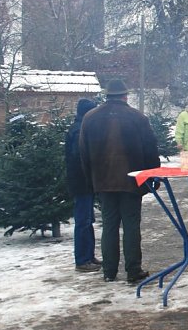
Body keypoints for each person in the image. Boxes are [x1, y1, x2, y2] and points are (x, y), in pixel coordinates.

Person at [80, 79, 160, 283]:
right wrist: (152, 177)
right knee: (131, 226)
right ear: (125, 96)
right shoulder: (137, 117)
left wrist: (90, 181)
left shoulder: (90, 118)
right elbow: (151, 150)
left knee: (109, 225)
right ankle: (133, 270)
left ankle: (109, 271)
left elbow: (83, 153)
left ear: (107, 95)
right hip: (132, 181)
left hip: (103, 180)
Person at [65, 98, 101, 272]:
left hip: (85, 182)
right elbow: (80, 158)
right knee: (82, 222)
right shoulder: (79, 131)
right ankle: (82, 259)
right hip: (82, 183)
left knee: (88, 221)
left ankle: (89, 256)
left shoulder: (80, 128)